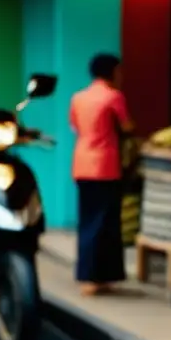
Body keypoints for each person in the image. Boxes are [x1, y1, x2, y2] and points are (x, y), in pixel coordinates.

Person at [69, 53, 133, 297]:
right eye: (119, 71)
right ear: (112, 71)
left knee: (89, 220)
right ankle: (94, 276)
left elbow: (75, 126)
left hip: (82, 164)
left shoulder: (78, 97)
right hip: (105, 166)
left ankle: (94, 276)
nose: (121, 75)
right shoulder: (114, 96)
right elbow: (127, 126)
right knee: (105, 222)